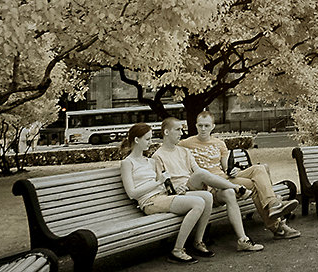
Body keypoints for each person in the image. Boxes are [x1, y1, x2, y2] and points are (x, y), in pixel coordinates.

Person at [179, 112, 300, 239]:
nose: (203, 129)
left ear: (213, 126)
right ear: (196, 126)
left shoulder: (220, 144)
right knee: (254, 186)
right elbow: (169, 152)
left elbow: (226, 167)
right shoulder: (185, 144)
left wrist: (233, 171)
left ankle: (273, 204)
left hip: (224, 178)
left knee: (259, 169)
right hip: (212, 184)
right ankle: (277, 226)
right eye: (200, 125)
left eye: (207, 126)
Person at [152, 117, 265, 253]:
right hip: (181, 193)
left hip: (197, 187)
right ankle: (236, 188)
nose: (181, 133)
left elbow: (196, 169)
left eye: (181, 129)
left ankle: (243, 240)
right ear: (166, 132)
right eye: (177, 130)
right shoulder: (157, 156)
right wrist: (175, 189)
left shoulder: (184, 152)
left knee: (227, 193)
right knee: (202, 174)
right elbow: (161, 182)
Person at [119, 122, 215, 264]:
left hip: (162, 196)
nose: (150, 143)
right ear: (137, 140)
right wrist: (158, 183)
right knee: (198, 203)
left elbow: (162, 184)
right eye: (147, 139)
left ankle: (198, 242)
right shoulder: (128, 163)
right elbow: (132, 193)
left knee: (207, 196)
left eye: (151, 138)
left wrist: (176, 190)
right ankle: (177, 250)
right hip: (149, 202)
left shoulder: (149, 161)